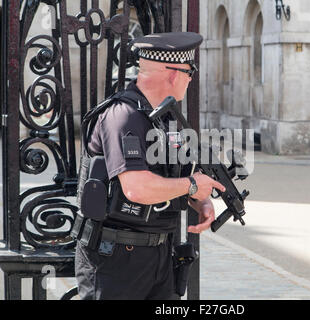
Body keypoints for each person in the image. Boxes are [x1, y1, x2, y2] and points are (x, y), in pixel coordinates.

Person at [73, 32, 226, 300]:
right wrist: (192, 186)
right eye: (190, 72)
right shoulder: (123, 116)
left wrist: (197, 200)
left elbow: (169, 177)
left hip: (159, 256)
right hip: (115, 260)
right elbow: (136, 188)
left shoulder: (164, 119)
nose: (191, 79)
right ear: (174, 74)